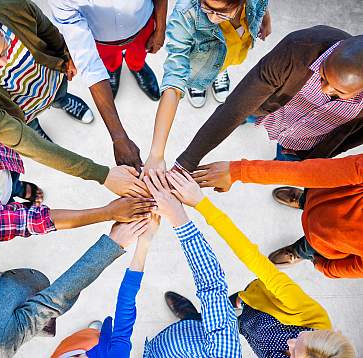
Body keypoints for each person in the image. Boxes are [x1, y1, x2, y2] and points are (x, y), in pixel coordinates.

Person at [0, 0, 150, 197]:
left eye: (5, 48)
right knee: (31, 130)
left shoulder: (10, 5)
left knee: (60, 96)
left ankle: (63, 101)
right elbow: (24, 140)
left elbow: (47, 31)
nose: (6, 61)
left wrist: (64, 54)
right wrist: (101, 175)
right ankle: (37, 126)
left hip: (52, 81)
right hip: (23, 112)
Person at [165, 169, 356, 357]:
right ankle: (200, 317)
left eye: (294, 352)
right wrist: (202, 204)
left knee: (211, 329)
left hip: (249, 332)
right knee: (221, 307)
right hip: (251, 301)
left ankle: (194, 320)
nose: (290, 341)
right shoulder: (310, 313)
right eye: (302, 336)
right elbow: (252, 256)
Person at [0, 220, 149, 358]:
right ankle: (38, 326)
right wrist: (113, 245)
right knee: (36, 316)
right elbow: (53, 299)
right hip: (21, 304)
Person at [173, 26, 363, 173]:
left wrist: (316, 159)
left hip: (307, 140)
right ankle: (251, 118)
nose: (325, 89)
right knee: (247, 112)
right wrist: (187, 162)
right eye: (322, 75)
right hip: (270, 107)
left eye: (338, 91)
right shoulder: (298, 48)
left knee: (287, 166)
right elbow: (235, 109)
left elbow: (351, 139)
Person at [0, 121, 155, 243]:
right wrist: (107, 212)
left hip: (4, 164)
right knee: (5, 199)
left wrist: (103, 174)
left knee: (13, 183)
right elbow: (31, 221)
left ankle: (20, 188)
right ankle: (15, 192)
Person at [143, 0, 271, 175]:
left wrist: (264, 16)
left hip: (234, 47)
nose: (211, 18)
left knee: (225, 62)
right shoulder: (185, 14)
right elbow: (174, 79)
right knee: (193, 76)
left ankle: (218, 72)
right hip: (197, 64)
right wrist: (156, 154)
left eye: (221, 13)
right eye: (206, 8)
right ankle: (198, 83)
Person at [191, 154, 363, 278]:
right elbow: (306, 173)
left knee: (308, 248)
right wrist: (238, 171)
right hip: (321, 193)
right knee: (313, 187)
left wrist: (324, 267)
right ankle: (303, 200)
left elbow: (356, 267)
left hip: (322, 243)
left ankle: (299, 252)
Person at [50, 0, 168, 172]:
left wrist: (160, 29)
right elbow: (89, 63)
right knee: (109, 64)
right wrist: (118, 137)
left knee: (138, 57)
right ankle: (114, 70)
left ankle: (137, 67)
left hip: (141, 28)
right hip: (100, 41)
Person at [141, 170, 242, 357]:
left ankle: (192, 318)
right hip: (195, 334)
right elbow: (211, 285)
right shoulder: (223, 352)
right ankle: (193, 317)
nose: (291, 343)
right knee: (208, 315)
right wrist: (179, 218)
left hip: (156, 351)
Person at [51, 214, 161, 358]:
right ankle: (93, 334)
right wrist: (144, 242)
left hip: (69, 349)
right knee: (93, 337)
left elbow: (126, 302)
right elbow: (125, 304)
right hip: (96, 348)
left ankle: (90, 335)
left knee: (76, 342)